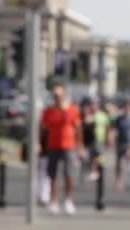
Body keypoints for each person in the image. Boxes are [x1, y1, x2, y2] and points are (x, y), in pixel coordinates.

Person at [40, 83, 83, 215]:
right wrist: (39, 144)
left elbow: (78, 128)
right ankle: (54, 201)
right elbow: (42, 128)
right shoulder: (48, 111)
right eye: (55, 95)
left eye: (59, 94)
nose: (57, 97)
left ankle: (68, 200)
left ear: (64, 95)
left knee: (68, 173)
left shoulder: (71, 109)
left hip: (68, 145)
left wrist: (80, 145)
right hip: (52, 145)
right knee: (52, 174)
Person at [114, 99, 130, 191]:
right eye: (125, 107)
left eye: (128, 107)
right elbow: (115, 130)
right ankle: (118, 182)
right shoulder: (119, 119)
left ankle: (129, 182)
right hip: (120, 143)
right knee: (119, 164)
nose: (127, 108)